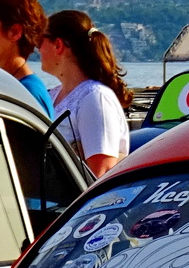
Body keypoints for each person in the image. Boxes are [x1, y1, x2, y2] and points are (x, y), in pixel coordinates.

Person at [40, 9, 131, 175]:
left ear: (58, 45)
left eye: (41, 40)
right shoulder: (53, 96)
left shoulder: (95, 97)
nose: (38, 48)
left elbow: (100, 172)